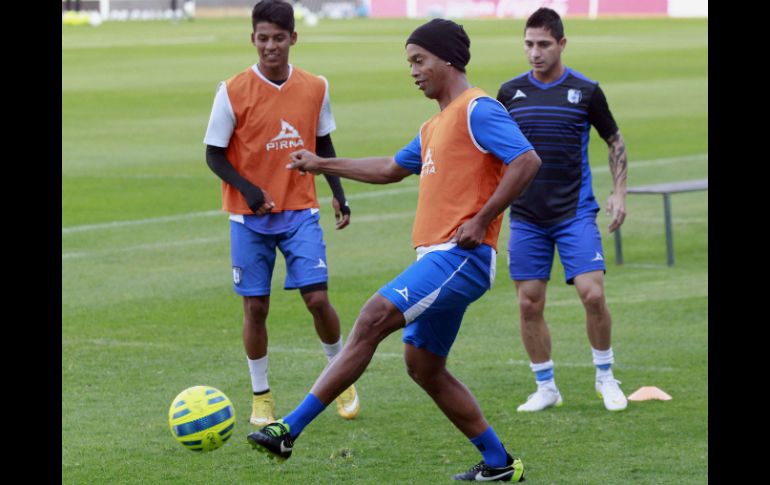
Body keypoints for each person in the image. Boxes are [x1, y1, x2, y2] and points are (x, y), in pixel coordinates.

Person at [247, 18, 541, 482]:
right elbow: (388, 168)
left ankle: (288, 429)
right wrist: (321, 162)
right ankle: (500, 463)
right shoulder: (433, 126)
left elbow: (526, 160)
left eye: (419, 60)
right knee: (423, 366)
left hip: (460, 258)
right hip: (439, 259)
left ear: (447, 59)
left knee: (372, 317)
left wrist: (482, 219)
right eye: (410, 62)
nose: (413, 71)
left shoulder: (477, 110)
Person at [202, 0, 360, 428]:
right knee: (256, 308)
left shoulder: (315, 86)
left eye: (278, 38)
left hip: (300, 211)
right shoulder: (232, 90)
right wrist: (250, 191)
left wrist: (338, 193)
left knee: (318, 299)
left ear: (293, 38)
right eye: (262, 38)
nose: (269, 46)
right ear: (252, 39)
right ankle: (261, 395)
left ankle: (340, 377)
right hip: (248, 217)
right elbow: (214, 155)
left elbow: (323, 146)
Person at [496, 7, 629, 412]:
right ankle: (546, 386)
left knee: (592, 294)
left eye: (543, 45)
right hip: (527, 215)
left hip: (574, 212)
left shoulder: (587, 91)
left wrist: (619, 193)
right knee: (528, 302)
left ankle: (606, 376)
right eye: (528, 44)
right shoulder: (509, 93)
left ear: (561, 44)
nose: (534, 53)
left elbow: (615, 141)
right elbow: (494, 152)